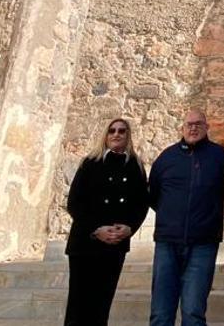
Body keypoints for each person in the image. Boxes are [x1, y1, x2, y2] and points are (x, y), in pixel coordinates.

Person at [147, 110, 224, 326]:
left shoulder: (220, 157)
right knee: (160, 313)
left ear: (207, 127)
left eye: (198, 124)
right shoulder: (167, 157)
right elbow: (154, 194)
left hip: (203, 242)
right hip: (167, 242)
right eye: (189, 124)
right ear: (182, 128)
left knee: (193, 311)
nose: (193, 128)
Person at [64, 118, 149, 326]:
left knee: (102, 305)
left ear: (128, 136)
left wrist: (130, 227)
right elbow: (74, 202)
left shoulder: (136, 167)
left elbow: (141, 204)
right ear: (105, 135)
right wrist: (96, 229)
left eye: (122, 131)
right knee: (78, 305)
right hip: (85, 244)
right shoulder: (90, 163)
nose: (116, 134)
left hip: (115, 244)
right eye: (112, 131)